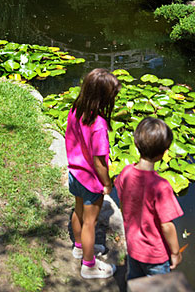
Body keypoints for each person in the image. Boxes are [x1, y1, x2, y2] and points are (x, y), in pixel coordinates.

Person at [65, 68, 121, 279]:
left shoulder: (76, 109)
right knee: (90, 223)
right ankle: (88, 266)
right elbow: (99, 162)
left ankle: (80, 248)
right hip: (91, 181)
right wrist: (107, 183)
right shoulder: (98, 125)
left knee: (78, 211)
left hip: (75, 173)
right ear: (103, 97)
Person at [115, 117, 184, 281]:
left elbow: (123, 201)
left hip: (133, 245)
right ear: (163, 153)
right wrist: (175, 253)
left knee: (135, 279)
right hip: (155, 255)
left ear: (136, 144)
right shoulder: (161, 186)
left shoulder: (126, 173)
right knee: (159, 286)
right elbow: (167, 225)